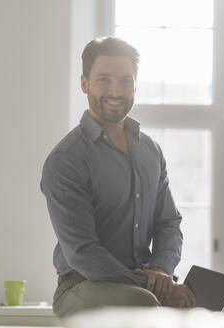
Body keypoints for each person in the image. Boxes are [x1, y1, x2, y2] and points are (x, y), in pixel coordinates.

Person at [40, 36, 196, 318]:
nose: (116, 90)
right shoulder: (66, 159)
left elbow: (168, 223)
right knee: (144, 304)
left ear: (135, 85)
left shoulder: (150, 151)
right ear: (84, 83)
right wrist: (153, 285)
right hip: (83, 285)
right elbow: (84, 253)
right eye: (104, 79)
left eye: (125, 80)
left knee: (198, 301)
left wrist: (162, 270)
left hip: (145, 285)